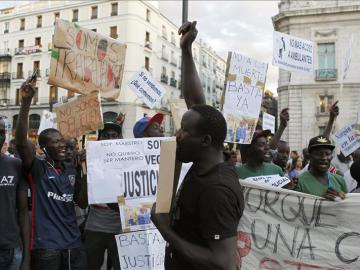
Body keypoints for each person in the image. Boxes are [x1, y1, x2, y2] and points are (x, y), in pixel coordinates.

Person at [151, 104, 244, 270]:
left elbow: (223, 262)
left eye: (184, 130)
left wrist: (166, 231)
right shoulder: (202, 166)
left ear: (206, 140)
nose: (177, 135)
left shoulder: (216, 191)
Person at [15, 77, 86, 269]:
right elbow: (21, 142)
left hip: (73, 244)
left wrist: (88, 172)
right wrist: (26, 102)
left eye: (62, 140)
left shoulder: (71, 168)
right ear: (44, 148)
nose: (62, 144)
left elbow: (82, 202)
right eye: (56, 142)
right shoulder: (38, 168)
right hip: (48, 247)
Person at [83, 121, 123, 270]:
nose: (111, 140)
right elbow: (82, 201)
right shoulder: (91, 162)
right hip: (95, 226)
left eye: (114, 136)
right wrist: (86, 167)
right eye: (106, 136)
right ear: (99, 140)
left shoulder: (129, 162)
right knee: (91, 266)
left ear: (120, 139)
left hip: (120, 228)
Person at [0, 118, 30, 270]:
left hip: (12, 250)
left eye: (1, 133)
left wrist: (26, 257)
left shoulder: (15, 165)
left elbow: (23, 213)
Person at [296, 135, 347, 199]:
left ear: (331, 157)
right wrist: (320, 201)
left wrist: (340, 199)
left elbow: (348, 205)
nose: (324, 158)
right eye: (319, 154)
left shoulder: (340, 180)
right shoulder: (299, 182)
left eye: (328, 154)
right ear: (309, 156)